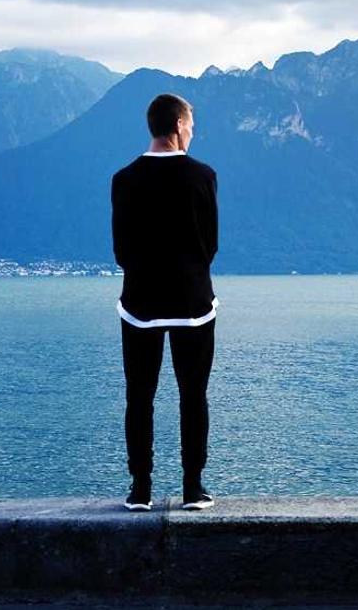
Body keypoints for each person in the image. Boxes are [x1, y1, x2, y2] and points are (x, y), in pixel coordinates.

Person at [110, 93, 219, 512]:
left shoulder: (123, 179)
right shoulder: (203, 176)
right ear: (176, 125)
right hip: (193, 302)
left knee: (140, 395)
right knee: (194, 395)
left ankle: (140, 489)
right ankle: (193, 487)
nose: (192, 131)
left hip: (139, 303)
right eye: (190, 124)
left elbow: (120, 247)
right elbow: (210, 244)